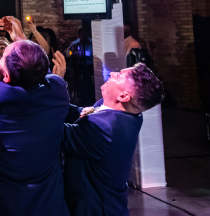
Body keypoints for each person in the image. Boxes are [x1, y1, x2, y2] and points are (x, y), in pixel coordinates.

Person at [0, 40, 70, 216]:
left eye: (3, 54)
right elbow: (46, 76)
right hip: (48, 204)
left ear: (6, 77)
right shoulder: (57, 91)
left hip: (1, 205)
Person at [63, 63, 165, 216]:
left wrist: (55, 83)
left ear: (123, 96)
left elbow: (58, 134)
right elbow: (77, 113)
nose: (112, 74)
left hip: (94, 209)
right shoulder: (128, 114)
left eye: (118, 76)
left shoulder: (105, 128)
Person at [65, 28, 94, 106]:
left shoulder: (93, 43)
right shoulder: (75, 43)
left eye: (85, 35)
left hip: (91, 66)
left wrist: (83, 53)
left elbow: (91, 54)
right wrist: (73, 53)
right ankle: (81, 96)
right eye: (82, 35)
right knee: (80, 79)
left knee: (88, 79)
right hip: (80, 66)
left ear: (88, 34)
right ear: (79, 35)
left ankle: (90, 96)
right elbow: (68, 53)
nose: (84, 37)